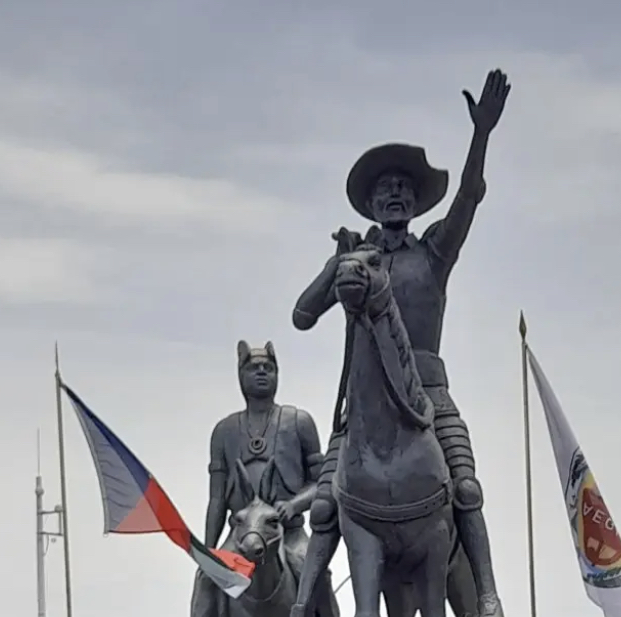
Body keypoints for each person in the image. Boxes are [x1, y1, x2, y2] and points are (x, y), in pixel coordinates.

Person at [290, 69, 510, 617]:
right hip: (364, 403)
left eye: (404, 188)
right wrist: (335, 266)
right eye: (384, 189)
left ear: (414, 201)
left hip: (430, 393)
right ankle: (299, 605)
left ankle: (485, 593)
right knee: (323, 507)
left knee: (464, 487)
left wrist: (480, 136)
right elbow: (301, 316)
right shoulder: (355, 259)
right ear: (370, 204)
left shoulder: (433, 251)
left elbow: (470, 196)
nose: (394, 194)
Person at [190, 340, 336, 617]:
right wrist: (209, 549)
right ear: (240, 375)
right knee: (207, 579)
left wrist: (293, 505)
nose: (261, 372)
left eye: (268, 368)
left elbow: (323, 482)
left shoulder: (298, 422)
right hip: (241, 535)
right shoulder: (224, 431)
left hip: (289, 533)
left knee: (315, 573)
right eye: (254, 367)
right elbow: (217, 498)